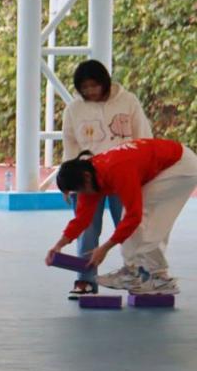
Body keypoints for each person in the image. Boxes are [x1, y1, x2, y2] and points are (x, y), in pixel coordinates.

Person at [46, 139, 197, 295]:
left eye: (79, 190)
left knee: (136, 216)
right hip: (172, 163)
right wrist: (58, 245)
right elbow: (81, 220)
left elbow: (134, 216)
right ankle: (159, 279)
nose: (81, 195)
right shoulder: (88, 177)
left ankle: (132, 273)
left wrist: (104, 248)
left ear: (86, 177)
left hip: (180, 165)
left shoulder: (117, 169)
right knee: (151, 224)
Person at [61, 60, 152, 298]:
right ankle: (85, 280)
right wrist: (68, 183)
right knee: (86, 229)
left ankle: (139, 277)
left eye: (94, 85)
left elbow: (143, 136)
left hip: (124, 175)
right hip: (87, 179)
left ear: (105, 82)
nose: (90, 91)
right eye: (84, 87)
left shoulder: (128, 101)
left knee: (132, 226)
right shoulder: (73, 110)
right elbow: (70, 145)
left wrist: (144, 174)